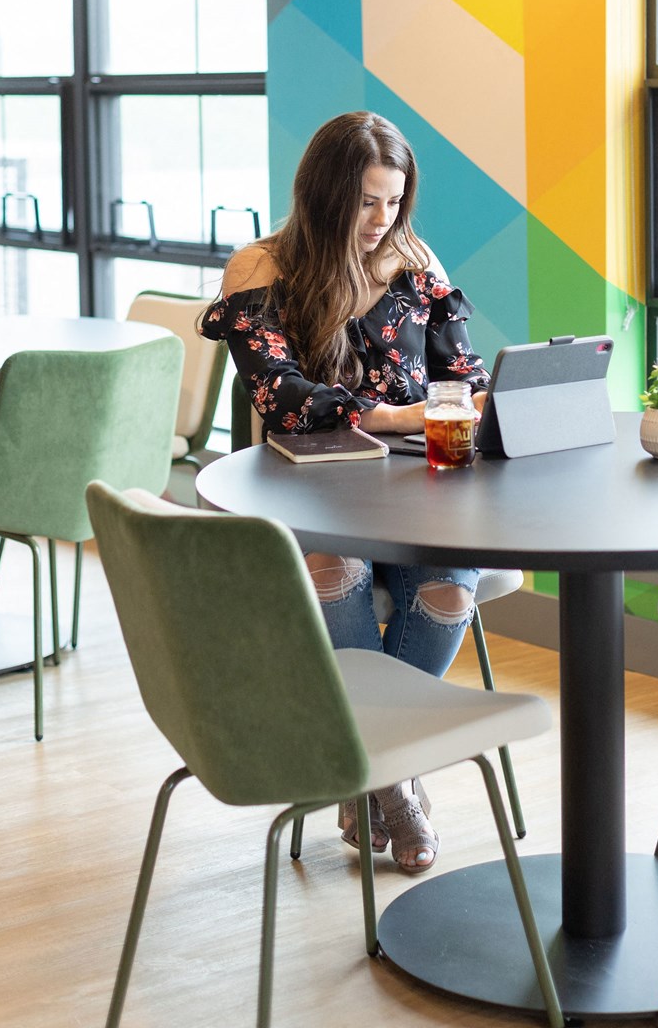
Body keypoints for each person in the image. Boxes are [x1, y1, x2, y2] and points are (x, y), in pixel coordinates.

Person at [200, 110, 491, 874]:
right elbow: (281, 397)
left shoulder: (416, 262)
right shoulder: (261, 269)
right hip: (311, 494)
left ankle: (368, 775)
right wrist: (393, 412)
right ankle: (397, 786)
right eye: (366, 201)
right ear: (324, 193)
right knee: (340, 573)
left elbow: (465, 375)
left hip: (419, 491)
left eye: (394, 202)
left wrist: (484, 403)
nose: (381, 220)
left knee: (447, 593)